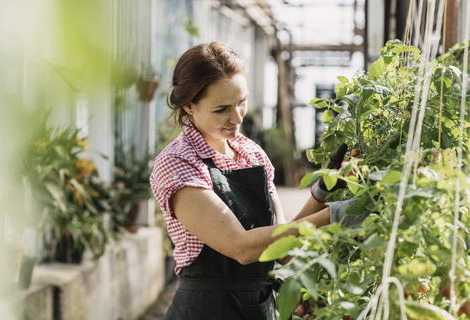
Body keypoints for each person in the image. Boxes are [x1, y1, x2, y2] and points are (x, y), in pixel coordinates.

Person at [150, 41, 369, 320]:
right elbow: (241, 247)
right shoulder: (178, 162)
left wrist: (322, 193)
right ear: (190, 106)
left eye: (242, 102)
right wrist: (333, 216)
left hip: (260, 309)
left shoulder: (251, 153)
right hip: (206, 310)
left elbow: (281, 248)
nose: (237, 117)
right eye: (222, 109)